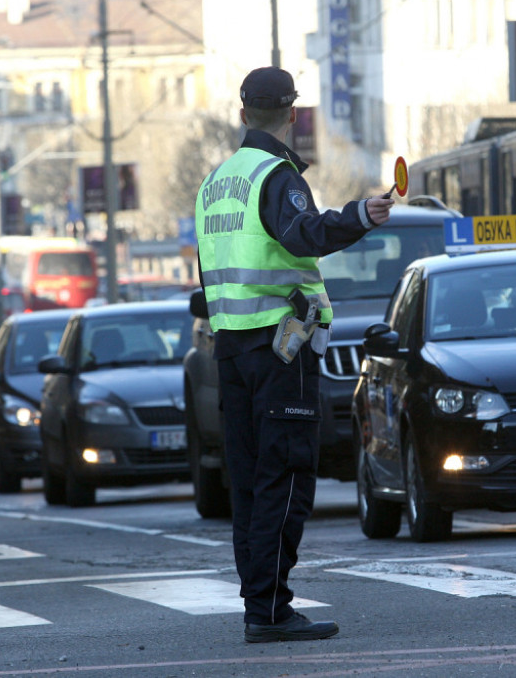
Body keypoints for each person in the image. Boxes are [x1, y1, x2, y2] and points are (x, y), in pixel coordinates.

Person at [194, 66, 393, 644]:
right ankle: (270, 611)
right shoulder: (276, 175)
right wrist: (360, 215)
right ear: (294, 115)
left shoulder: (215, 183)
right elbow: (302, 234)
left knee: (250, 481)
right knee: (285, 478)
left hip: (231, 350)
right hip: (281, 351)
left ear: (242, 114)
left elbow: (209, 276)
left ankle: (259, 603)